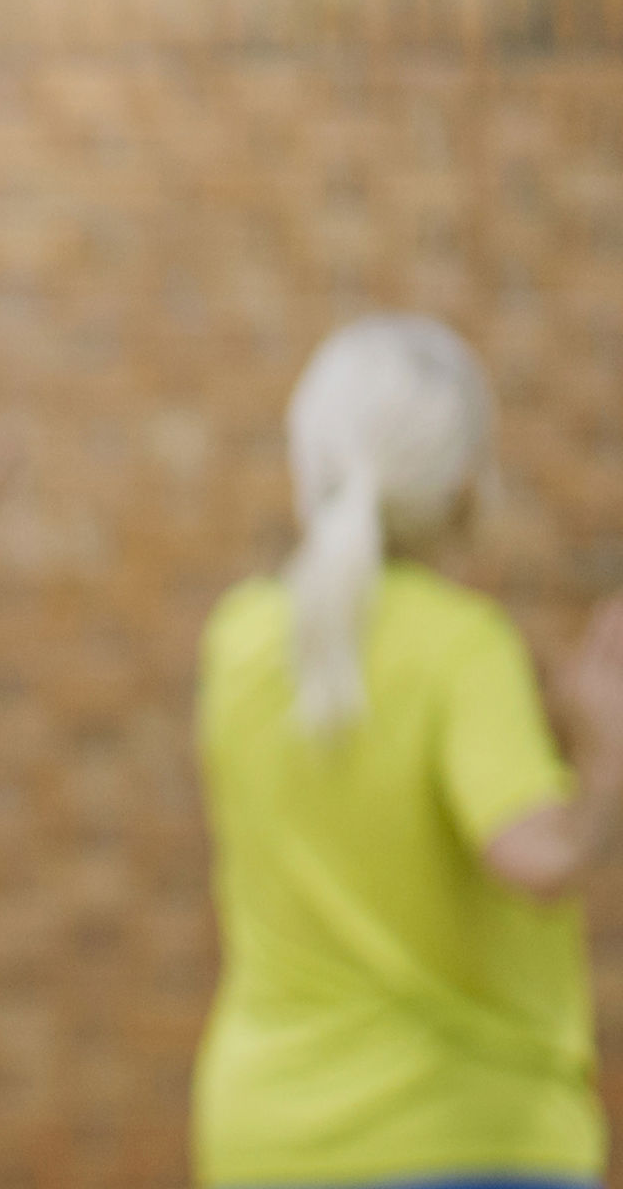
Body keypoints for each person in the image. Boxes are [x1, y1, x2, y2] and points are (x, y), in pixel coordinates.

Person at [191, 316, 623, 1189]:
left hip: (263, 1140)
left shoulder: (237, 640)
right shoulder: (463, 649)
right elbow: (541, 856)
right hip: (471, 1141)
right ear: (470, 488)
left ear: (308, 467)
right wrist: (609, 742)